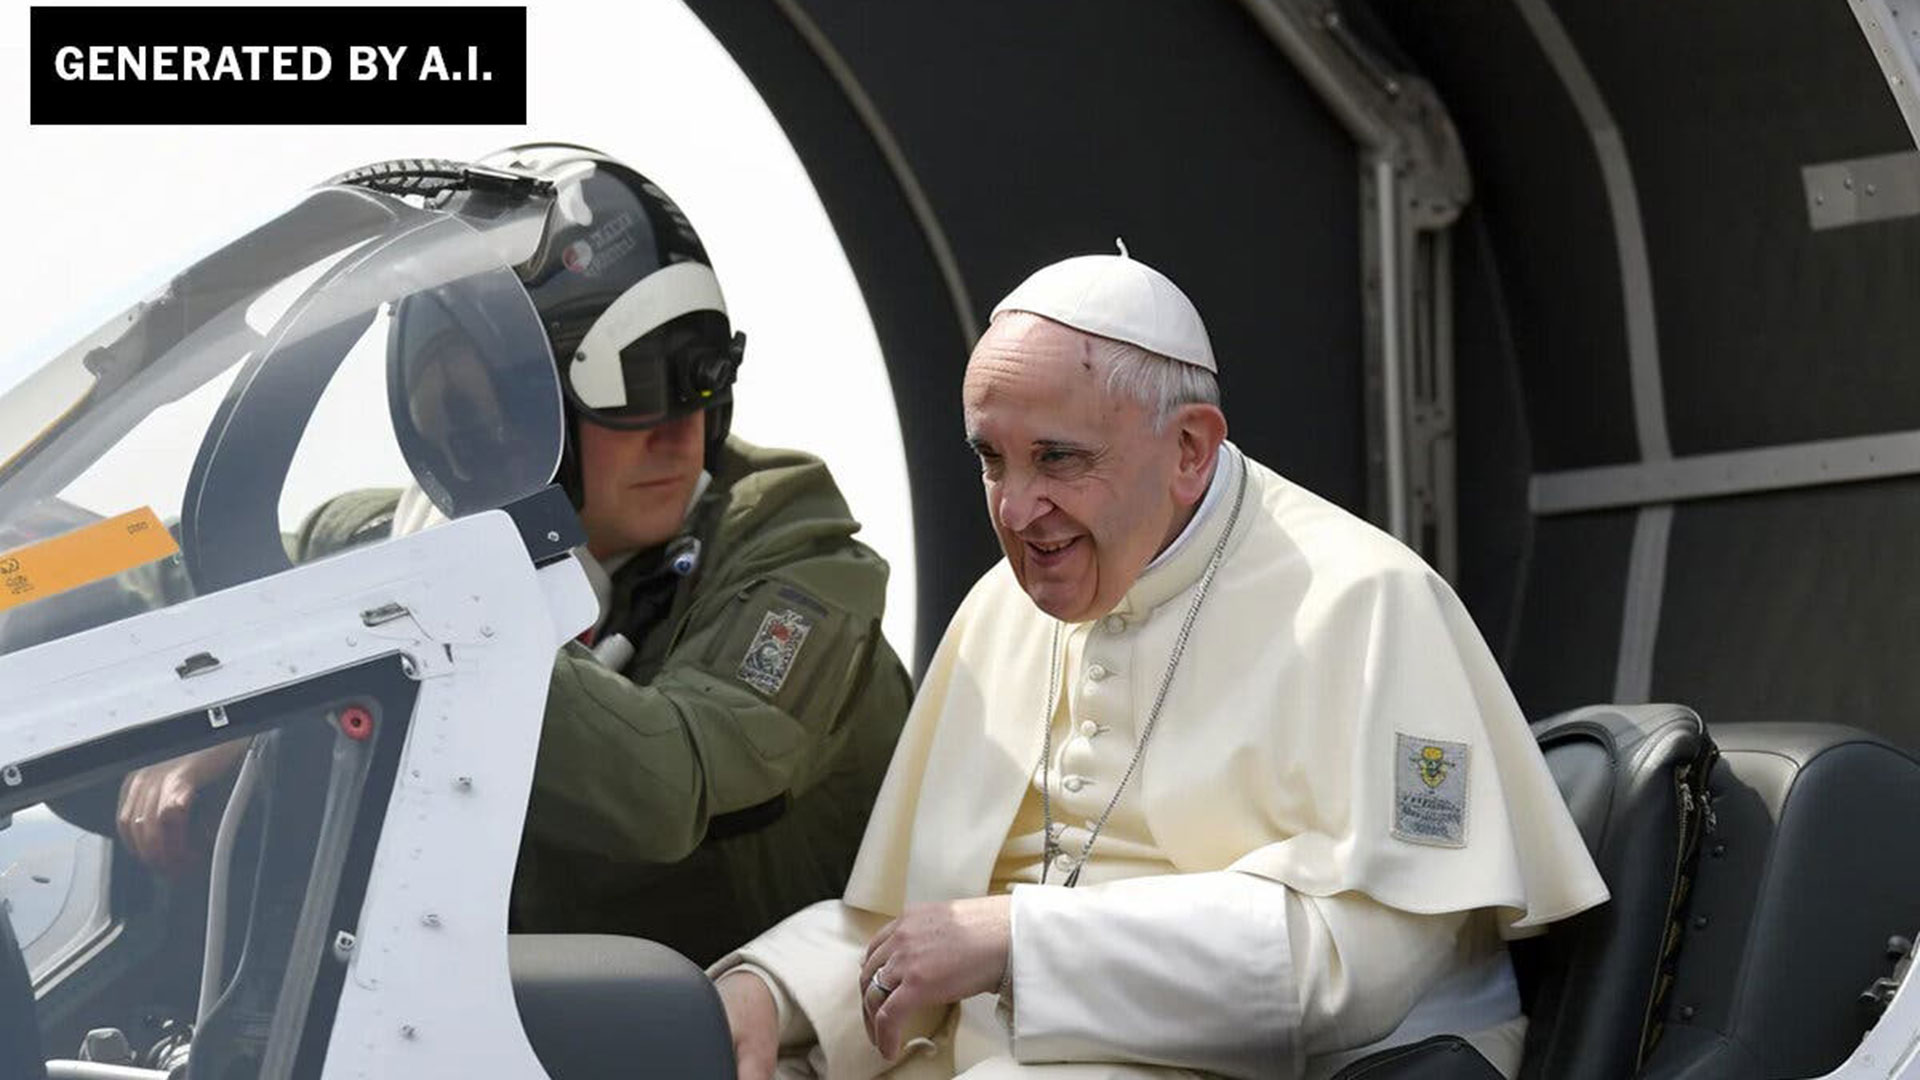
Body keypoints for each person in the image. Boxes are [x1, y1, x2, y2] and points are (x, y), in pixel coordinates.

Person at [709, 251, 1608, 1079]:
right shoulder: (999, 609)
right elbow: (924, 923)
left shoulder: (1367, 602)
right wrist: (776, 989)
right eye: (993, 460)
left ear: (1190, 450)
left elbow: (1364, 968)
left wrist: (1025, 942)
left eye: (1059, 459)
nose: (1019, 511)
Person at [115, 146, 916, 965]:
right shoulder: (390, 543)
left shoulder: (800, 559)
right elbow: (161, 570)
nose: (679, 428)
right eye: (633, 385)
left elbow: (669, 786)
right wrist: (41, 560)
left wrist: (334, 653)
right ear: (502, 415)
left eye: (699, 377)